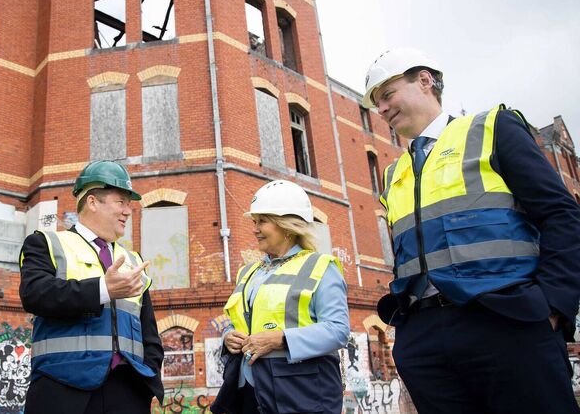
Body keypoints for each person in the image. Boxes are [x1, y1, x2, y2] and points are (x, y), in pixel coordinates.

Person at [364, 48, 580, 414]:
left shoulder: (492, 129)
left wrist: (553, 306)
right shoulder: (394, 173)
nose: (381, 109)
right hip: (425, 336)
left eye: (387, 94)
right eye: (376, 103)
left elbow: (562, 215)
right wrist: (410, 339)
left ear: (425, 80)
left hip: (506, 321)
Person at [19, 160, 164, 414]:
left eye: (129, 204)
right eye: (121, 202)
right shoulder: (46, 243)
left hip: (128, 391)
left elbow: (149, 330)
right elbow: (35, 294)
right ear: (92, 201)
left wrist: (148, 377)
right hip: (62, 390)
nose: (128, 211)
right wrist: (103, 289)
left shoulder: (134, 261)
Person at [211, 180, 349, 414]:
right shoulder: (248, 272)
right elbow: (239, 319)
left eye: (262, 221)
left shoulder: (321, 266)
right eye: (254, 222)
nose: (254, 229)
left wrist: (280, 339)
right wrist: (228, 336)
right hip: (249, 391)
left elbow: (338, 330)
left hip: (301, 393)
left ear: (287, 225)